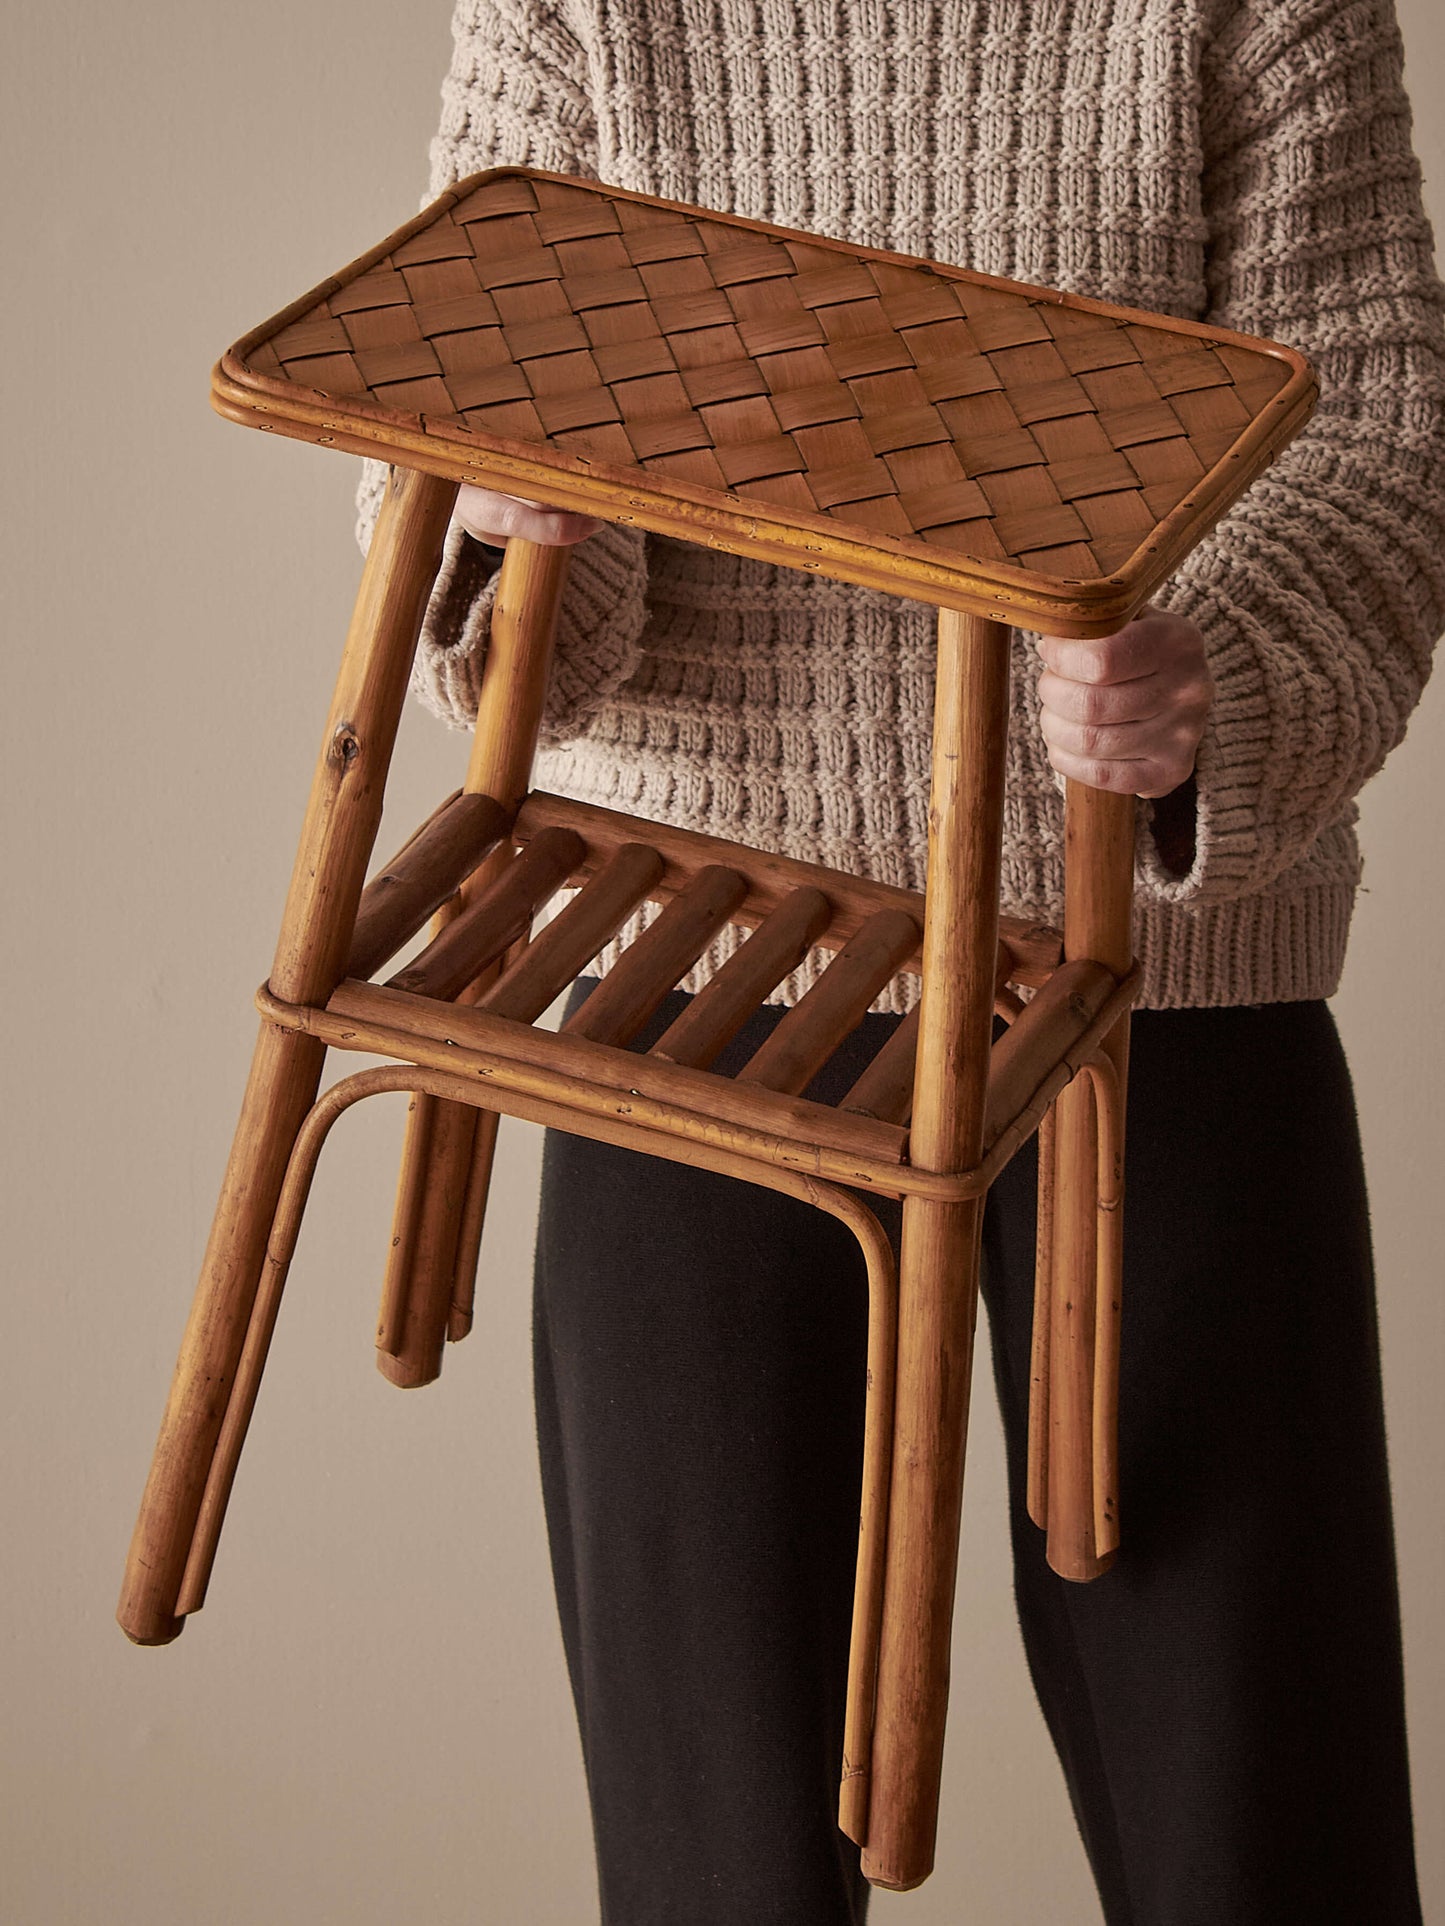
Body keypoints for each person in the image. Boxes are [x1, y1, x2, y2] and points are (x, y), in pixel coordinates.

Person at [357, 1, 1445, 1918]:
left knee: (1259, 1843)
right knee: (717, 1866)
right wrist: (505, 524)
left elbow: (1366, 432)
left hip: (1160, 1008)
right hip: (679, 993)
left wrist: (1212, 683)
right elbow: (459, 388)